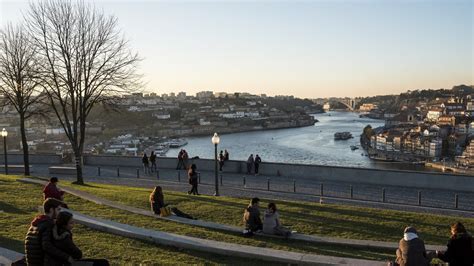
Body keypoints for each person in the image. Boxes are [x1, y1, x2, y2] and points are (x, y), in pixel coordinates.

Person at [25, 198, 70, 265]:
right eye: (58, 209)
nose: (59, 213)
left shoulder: (37, 223)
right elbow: (47, 246)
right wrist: (67, 257)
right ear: (51, 210)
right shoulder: (48, 224)